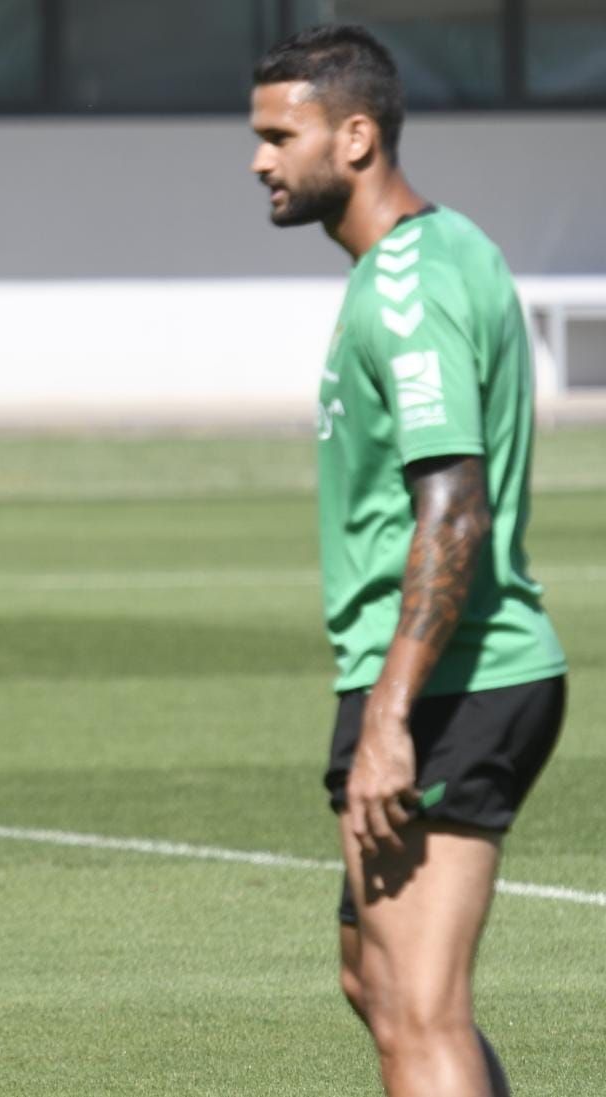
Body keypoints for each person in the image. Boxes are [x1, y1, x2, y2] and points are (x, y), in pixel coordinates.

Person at [250, 25, 567, 1097]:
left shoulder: (406, 285)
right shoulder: (439, 255)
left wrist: (389, 715)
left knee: (422, 1014)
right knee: (372, 981)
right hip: (439, 676)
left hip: (450, 683)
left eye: (276, 135)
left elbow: (453, 508)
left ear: (354, 136)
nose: (257, 159)